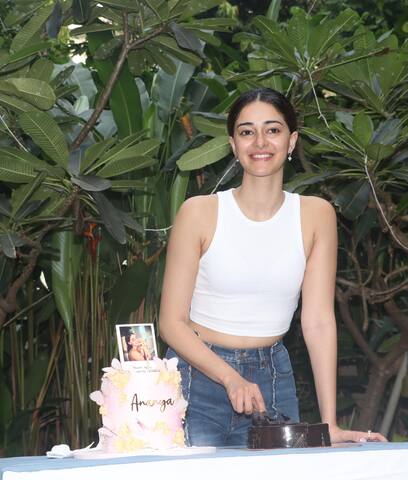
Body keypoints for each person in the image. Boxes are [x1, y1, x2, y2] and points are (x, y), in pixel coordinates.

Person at [159, 87, 387, 447]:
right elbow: (171, 323)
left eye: (273, 130)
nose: (260, 141)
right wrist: (230, 377)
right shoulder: (199, 212)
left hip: (273, 379)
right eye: (247, 131)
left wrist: (329, 424)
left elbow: (318, 322)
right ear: (233, 144)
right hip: (196, 377)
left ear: (292, 141)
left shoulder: (316, 215)